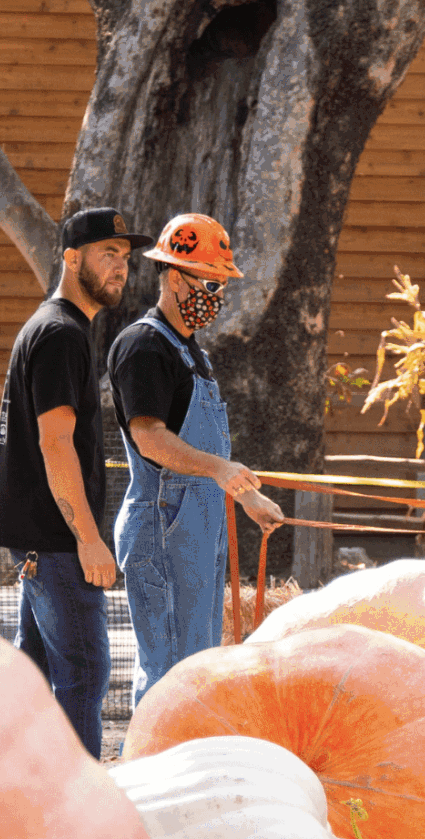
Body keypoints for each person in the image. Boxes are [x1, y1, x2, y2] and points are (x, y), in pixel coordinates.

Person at [0, 206, 149, 758]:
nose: (120, 269)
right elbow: (55, 444)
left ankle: (13, 784)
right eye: (108, 254)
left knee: (30, 675)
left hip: (39, 536)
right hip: (56, 540)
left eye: (125, 258)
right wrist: (88, 538)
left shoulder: (58, 328)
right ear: (72, 257)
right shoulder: (60, 334)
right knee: (84, 668)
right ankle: (80, 806)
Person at [109, 214, 286, 707]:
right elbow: (151, 439)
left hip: (199, 530)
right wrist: (220, 470)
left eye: (221, 283)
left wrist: (246, 496)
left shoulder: (193, 353)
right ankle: (144, 778)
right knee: (168, 675)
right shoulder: (143, 346)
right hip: (162, 528)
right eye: (209, 281)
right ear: (172, 276)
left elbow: (207, 459)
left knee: (200, 672)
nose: (217, 294)